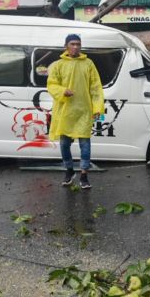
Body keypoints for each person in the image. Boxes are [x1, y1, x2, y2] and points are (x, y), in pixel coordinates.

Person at [47, 34, 105, 189]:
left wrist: (98, 108)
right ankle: (69, 170)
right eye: (72, 44)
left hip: (84, 110)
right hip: (65, 111)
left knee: (85, 144)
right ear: (66, 46)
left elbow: (96, 88)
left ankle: (84, 175)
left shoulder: (88, 64)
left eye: (78, 44)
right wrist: (62, 91)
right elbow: (51, 85)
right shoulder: (58, 65)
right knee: (64, 144)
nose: (76, 47)